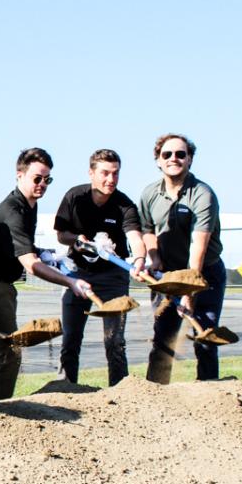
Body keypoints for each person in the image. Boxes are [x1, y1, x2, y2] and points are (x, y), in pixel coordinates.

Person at [0, 148, 90, 403]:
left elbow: (23, 248)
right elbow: (31, 265)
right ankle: (3, 410)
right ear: (19, 175)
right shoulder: (13, 210)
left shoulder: (29, 206)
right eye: (37, 178)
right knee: (10, 349)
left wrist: (48, 253)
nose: (43, 184)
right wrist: (69, 281)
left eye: (48, 179)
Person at [53, 149, 147, 386]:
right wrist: (77, 240)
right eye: (105, 173)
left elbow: (135, 237)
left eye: (115, 173)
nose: (111, 179)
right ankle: (65, 389)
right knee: (71, 339)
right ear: (91, 173)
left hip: (113, 278)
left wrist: (138, 260)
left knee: (114, 341)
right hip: (77, 274)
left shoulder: (124, 205)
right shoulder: (75, 197)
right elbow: (61, 234)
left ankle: (120, 392)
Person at [138, 133, 225, 383]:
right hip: (167, 276)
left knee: (205, 338)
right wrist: (153, 257)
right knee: (163, 339)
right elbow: (147, 229)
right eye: (167, 154)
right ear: (158, 160)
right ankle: (155, 393)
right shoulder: (149, 194)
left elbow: (198, 247)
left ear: (190, 159)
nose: (173, 158)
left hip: (204, 274)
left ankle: (211, 395)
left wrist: (189, 293)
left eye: (180, 154)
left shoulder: (202, 195)